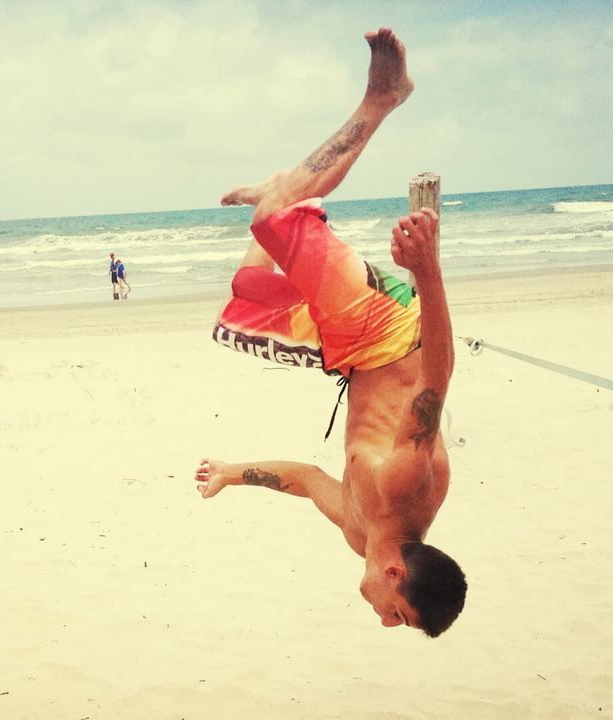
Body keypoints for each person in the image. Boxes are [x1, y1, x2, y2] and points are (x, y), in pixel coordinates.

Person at [193, 28, 466, 637]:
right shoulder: (407, 484)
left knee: (241, 308)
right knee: (273, 221)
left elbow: (308, 479)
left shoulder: (359, 533)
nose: (386, 622)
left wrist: (234, 473)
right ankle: (382, 99)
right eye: (398, 615)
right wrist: (427, 270)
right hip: (389, 333)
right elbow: (439, 375)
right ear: (396, 574)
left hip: (347, 356)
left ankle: (284, 196)